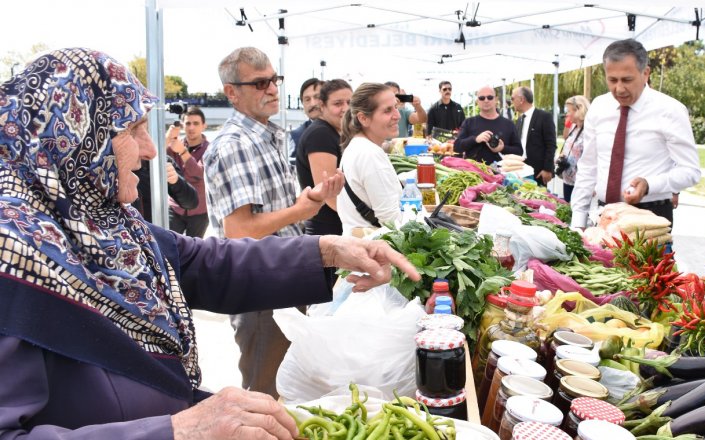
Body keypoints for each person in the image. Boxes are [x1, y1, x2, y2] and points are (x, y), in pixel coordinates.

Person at [0, 47, 420, 439]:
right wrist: (179, 431)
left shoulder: (105, 222)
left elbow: (204, 262)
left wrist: (329, 250)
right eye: (133, 129)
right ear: (71, 139)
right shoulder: (12, 256)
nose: (150, 150)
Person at [203, 47, 344, 399]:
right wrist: (300, 211)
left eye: (274, 80)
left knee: (286, 384)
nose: (271, 89)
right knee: (264, 393)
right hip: (260, 288)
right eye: (260, 83)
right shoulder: (235, 143)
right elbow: (240, 231)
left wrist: (305, 203)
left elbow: (273, 215)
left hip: (279, 278)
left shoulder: (264, 136)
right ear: (232, 93)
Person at [570, 39, 700, 228]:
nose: (619, 89)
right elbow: (589, 166)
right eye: (612, 80)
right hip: (604, 216)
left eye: (627, 80)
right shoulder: (599, 107)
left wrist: (649, 184)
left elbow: (690, 171)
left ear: (645, 73)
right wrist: (578, 220)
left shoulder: (670, 110)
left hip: (650, 218)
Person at [337, 83, 404, 235]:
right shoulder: (370, 154)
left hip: (359, 245)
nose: (397, 115)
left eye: (396, 107)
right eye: (387, 110)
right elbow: (392, 221)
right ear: (363, 118)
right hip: (373, 249)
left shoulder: (359, 147)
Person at [296, 79, 352, 236]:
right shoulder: (320, 135)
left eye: (350, 102)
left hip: (337, 226)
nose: (346, 108)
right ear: (323, 106)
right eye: (338, 103)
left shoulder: (336, 132)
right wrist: (361, 219)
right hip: (328, 230)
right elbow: (329, 194)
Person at [166, 106, 210, 238]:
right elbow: (153, 157)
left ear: (204, 126)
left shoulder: (210, 149)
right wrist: (167, 138)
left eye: (196, 123)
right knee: (168, 244)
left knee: (194, 250)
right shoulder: (174, 145)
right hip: (175, 207)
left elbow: (199, 175)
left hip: (199, 211)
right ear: (183, 126)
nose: (191, 128)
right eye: (188, 123)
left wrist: (183, 152)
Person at [453, 86, 523, 164]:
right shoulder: (469, 122)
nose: (486, 100)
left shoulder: (508, 124)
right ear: (477, 101)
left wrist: (502, 148)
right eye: (482, 98)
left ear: (496, 99)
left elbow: (519, 151)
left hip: (501, 174)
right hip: (474, 173)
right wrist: (475, 139)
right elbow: (457, 147)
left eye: (490, 97)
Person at [511, 86, 557, 185]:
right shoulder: (519, 120)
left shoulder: (544, 117)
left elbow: (551, 145)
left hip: (538, 172)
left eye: (513, 98)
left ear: (521, 99)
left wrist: (547, 169)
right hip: (520, 169)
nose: (512, 102)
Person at [133, 156, 198, 221]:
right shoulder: (125, 163)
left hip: (155, 226)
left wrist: (176, 181)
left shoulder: (159, 161)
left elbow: (191, 203)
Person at [557, 95, 591, 201]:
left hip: (580, 184)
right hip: (568, 179)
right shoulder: (574, 127)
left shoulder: (589, 130)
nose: (567, 114)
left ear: (579, 110)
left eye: (569, 111)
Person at [289, 78, 323, 163]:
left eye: (317, 97)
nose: (313, 104)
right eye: (307, 99)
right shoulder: (297, 136)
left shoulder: (345, 130)